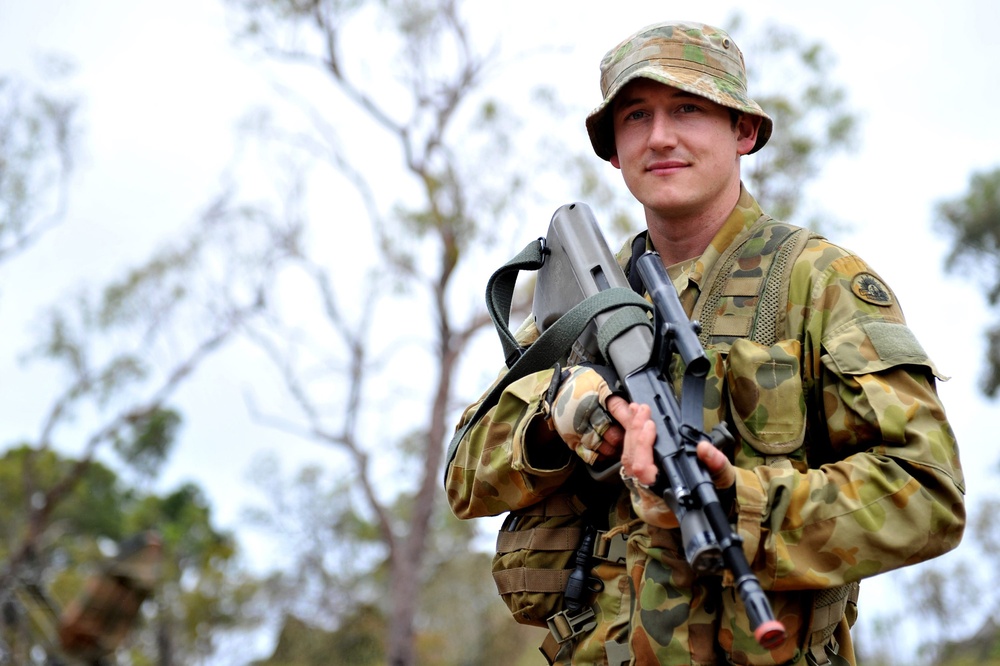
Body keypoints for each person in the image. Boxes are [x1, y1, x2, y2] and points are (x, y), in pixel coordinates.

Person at [445, 20, 965, 666]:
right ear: (612, 149)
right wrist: (558, 419)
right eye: (636, 116)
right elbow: (464, 477)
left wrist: (741, 502)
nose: (660, 136)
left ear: (743, 131)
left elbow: (929, 494)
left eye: (687, 109)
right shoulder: (590, 304)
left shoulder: (816, 283)